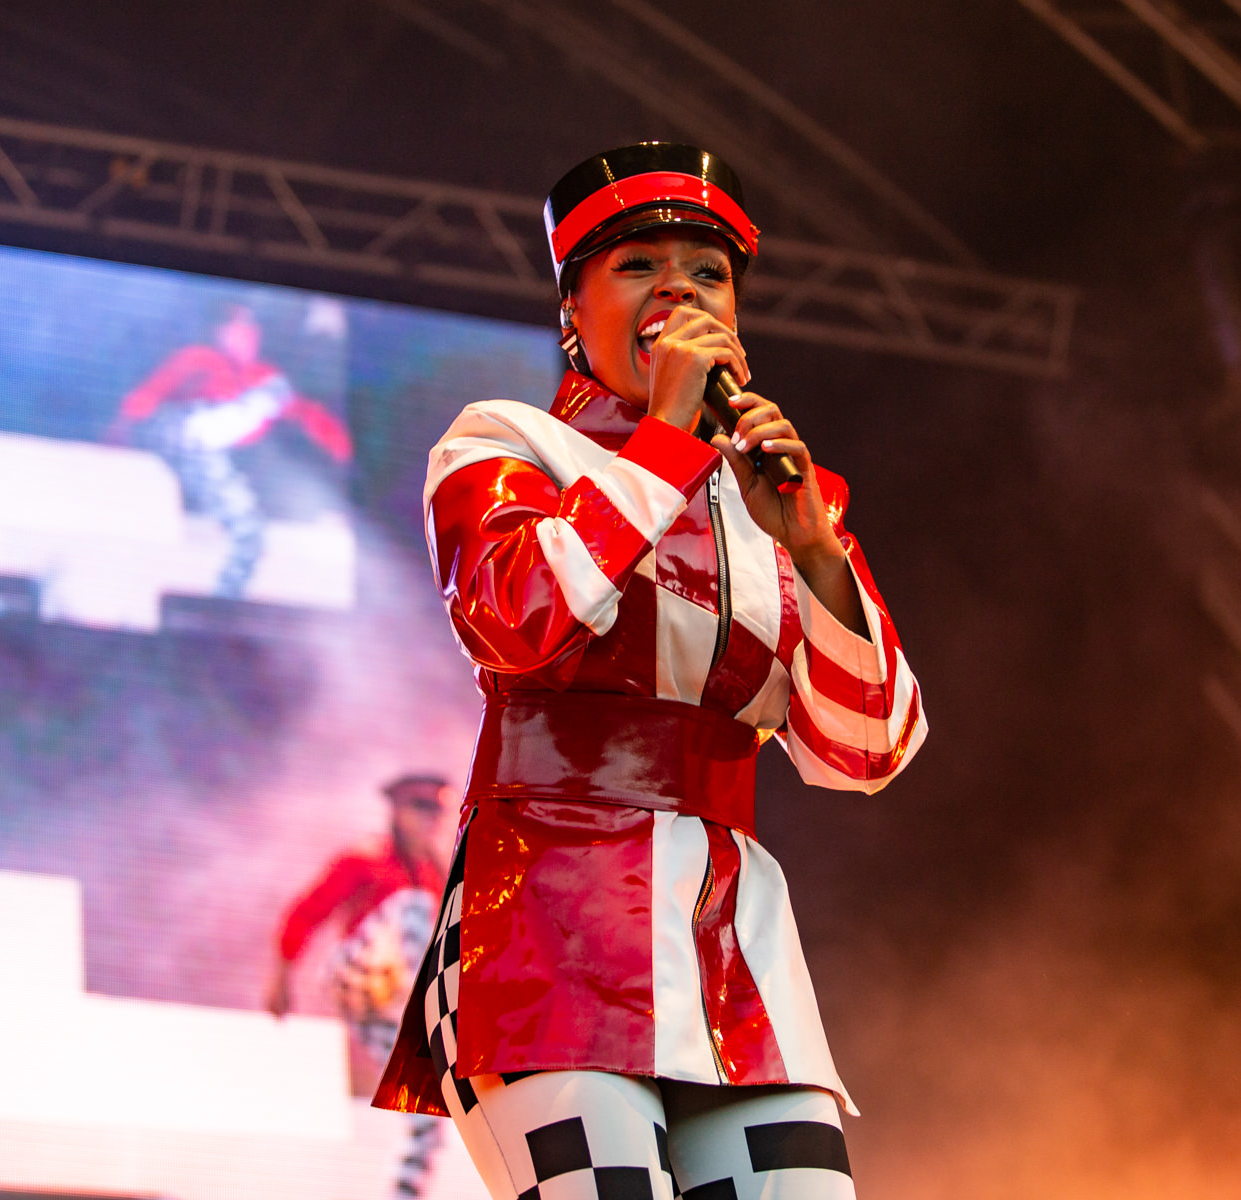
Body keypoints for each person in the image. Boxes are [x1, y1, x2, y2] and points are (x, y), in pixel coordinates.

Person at [374, 143, 926, 1200]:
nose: (680, 288)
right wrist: (669, 435)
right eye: (638, 265)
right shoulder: (506, 446)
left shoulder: (780, 500)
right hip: (541, 926)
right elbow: (517, 622)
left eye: (708, 272)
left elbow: (867, 752)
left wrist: (814, 546)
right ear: (573, 313)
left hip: (731, 940)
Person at [269, 774, 450, 1199]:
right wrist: (281, 976)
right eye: (419, 807)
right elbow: (307, 911)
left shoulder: (433, 870)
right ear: (397, 811)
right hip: (356, 976)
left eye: (435, 809)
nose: (429, 819)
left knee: (430, 1107)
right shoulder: (365, 860)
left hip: (394, 1002)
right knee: (414, 907)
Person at [110, 303, 352, 598]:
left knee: (251, 529)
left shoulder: (266, 379)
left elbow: (303, 412)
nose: (247, 336)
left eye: (250, 329)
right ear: (220, 333)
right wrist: (122, 429)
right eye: (238, 328)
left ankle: (227, 595)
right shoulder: (198, 360)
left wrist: (340, 448)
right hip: (186, 446)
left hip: (230, 461)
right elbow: (150, 394)